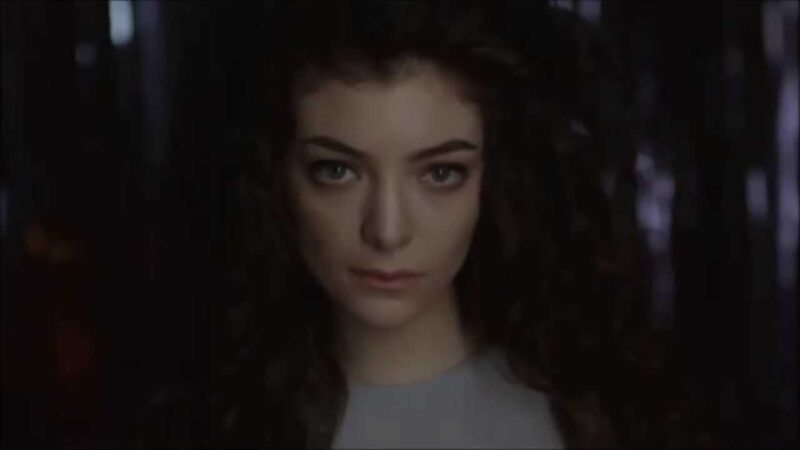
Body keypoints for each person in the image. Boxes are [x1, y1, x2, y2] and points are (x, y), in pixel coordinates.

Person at [136, 1, 716, 448]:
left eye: (440, 173)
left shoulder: (606, 420)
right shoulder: (205, 426)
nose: (388, 231)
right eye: (337, 171)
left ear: (494, 179)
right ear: (275, 179)